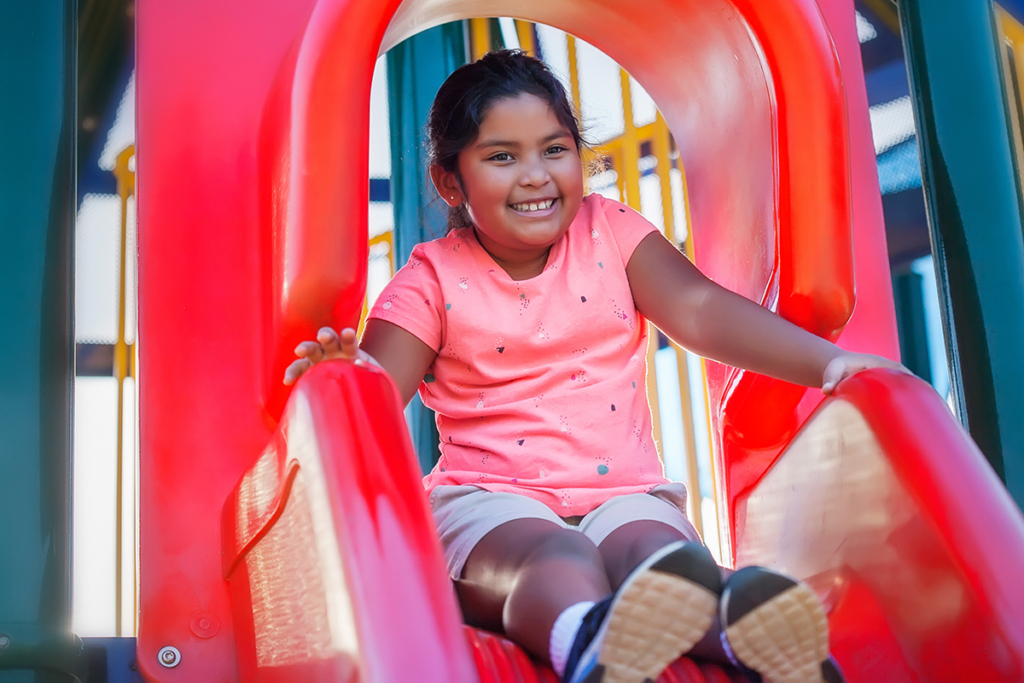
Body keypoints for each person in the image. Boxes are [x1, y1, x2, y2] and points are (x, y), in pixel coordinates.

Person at [284, 50, 904, 683]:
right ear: (451, 183)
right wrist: (346, 374)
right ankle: (592, 644)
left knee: (658, 555)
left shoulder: (611, 233)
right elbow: (378, 391)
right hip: (494, 503)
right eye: (502, 157)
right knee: (557, 557)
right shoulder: (431, 279)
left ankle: (753, 636)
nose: (535, 176)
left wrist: (832, 363)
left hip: (623, 493)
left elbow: (700, 309)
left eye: (555, 149)